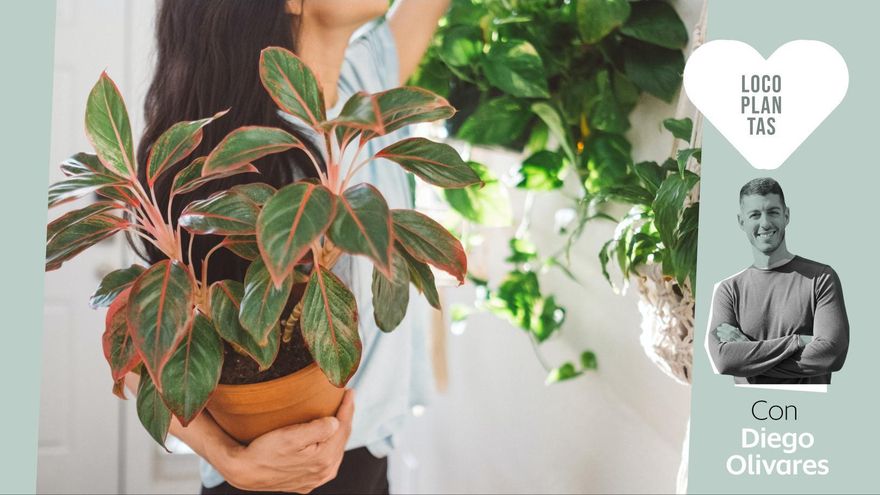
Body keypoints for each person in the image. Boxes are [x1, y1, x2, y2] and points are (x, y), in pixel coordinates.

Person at [125, 1, 450, 493]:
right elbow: (139, 352)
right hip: (278, 471)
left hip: (370, 455)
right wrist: (230, 460)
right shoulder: (240, 155)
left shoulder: (368, 85)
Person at [706, 177, 849, 385]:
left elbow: (832, 355)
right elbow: (724, 361)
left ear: (786, 215)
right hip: (746, 412)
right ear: (741, 222)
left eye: (772, 212)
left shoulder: (821, 278)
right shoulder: (728, 290)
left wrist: (748, 356)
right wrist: (798, 341)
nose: (765, 223)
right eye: (755, 214)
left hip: (809, 412)